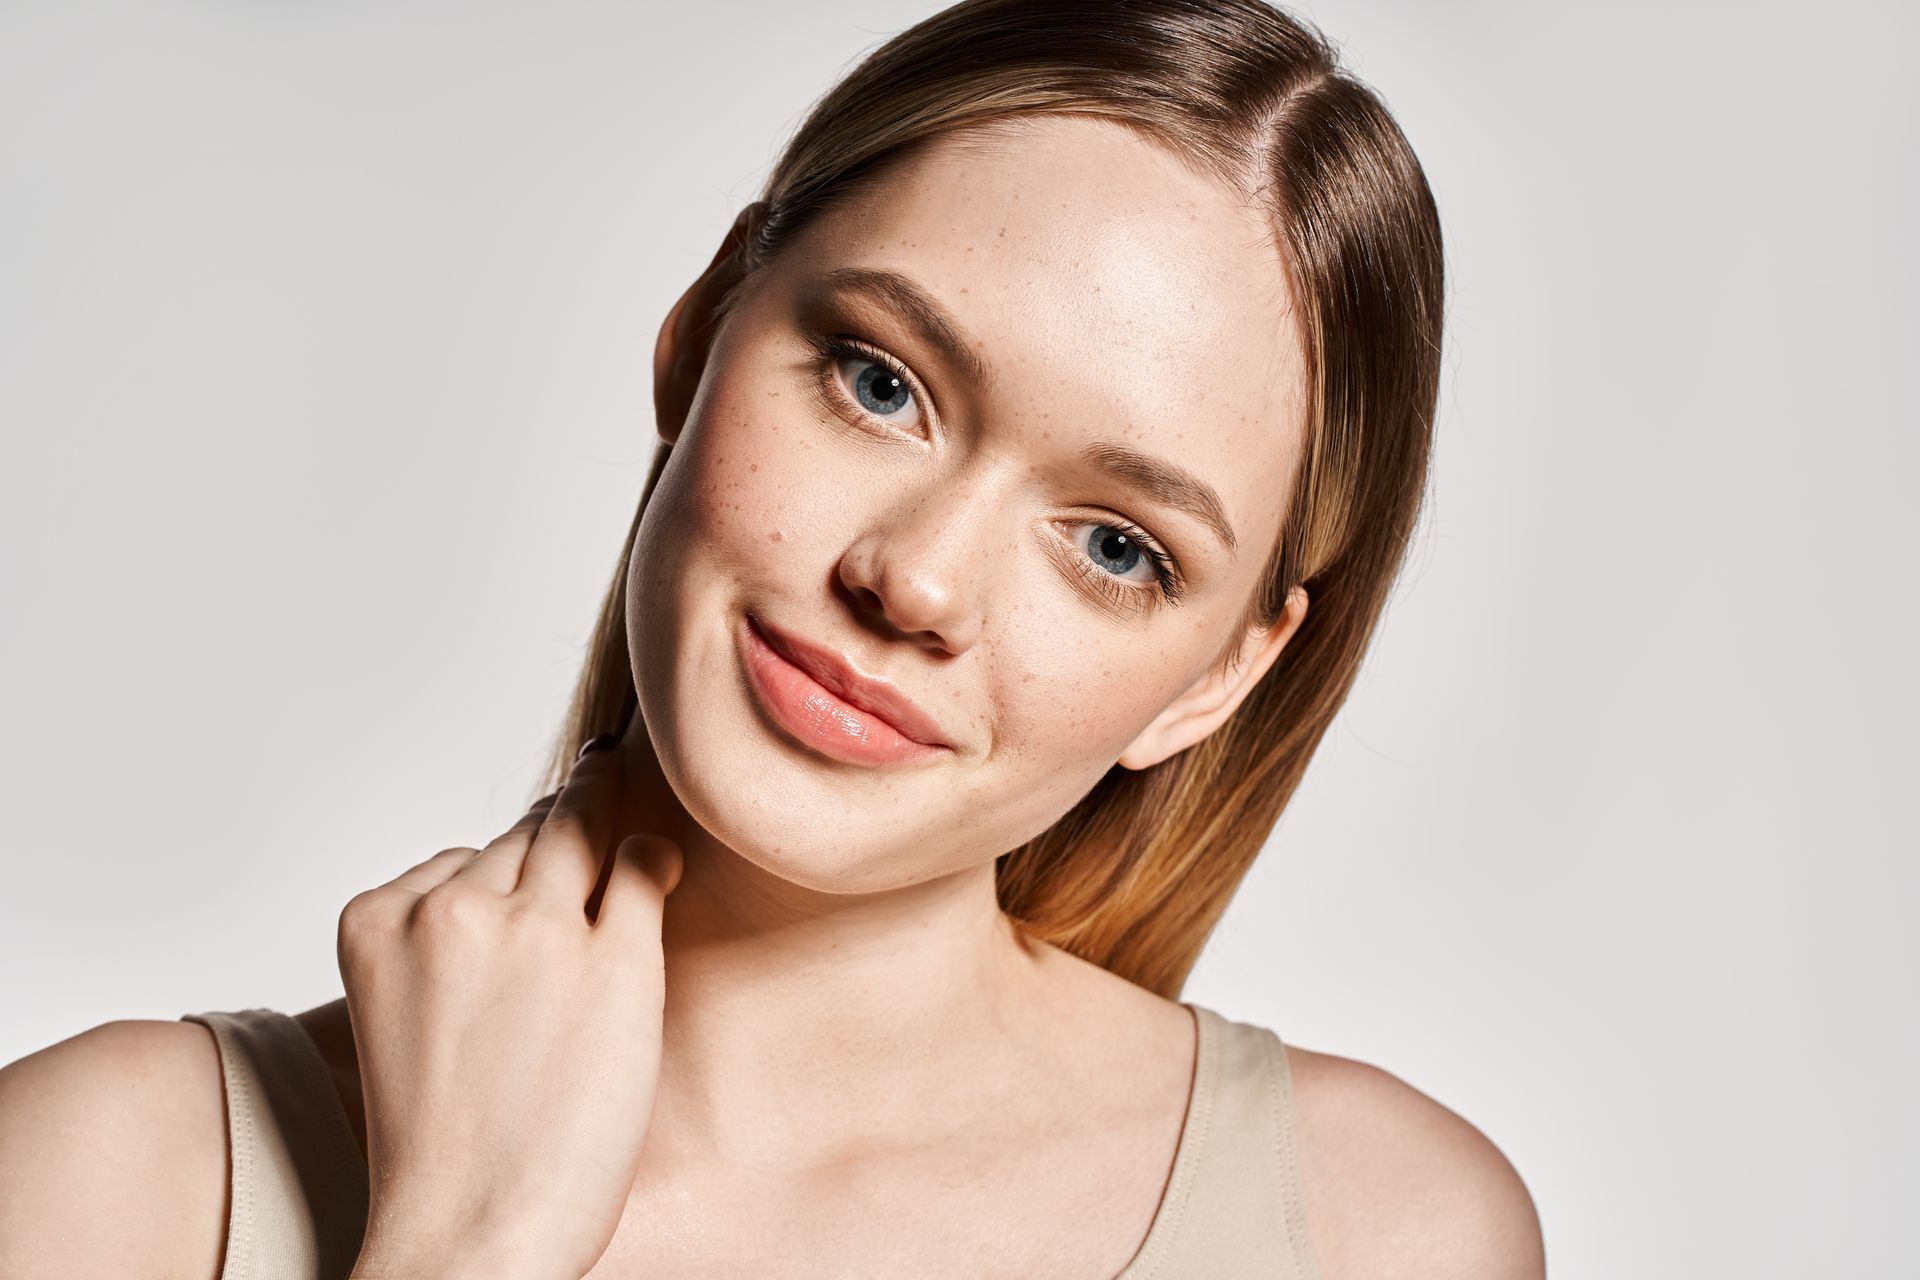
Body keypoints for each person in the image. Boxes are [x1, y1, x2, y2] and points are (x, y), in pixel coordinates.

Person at [0, 1, 1546, 1276]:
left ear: (1220, 672)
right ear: (700, 334)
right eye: (882, 382)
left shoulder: (1372, 1234)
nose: (918, 582)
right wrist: (470, 1240)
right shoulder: (105, 1190)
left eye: (1116, 548)